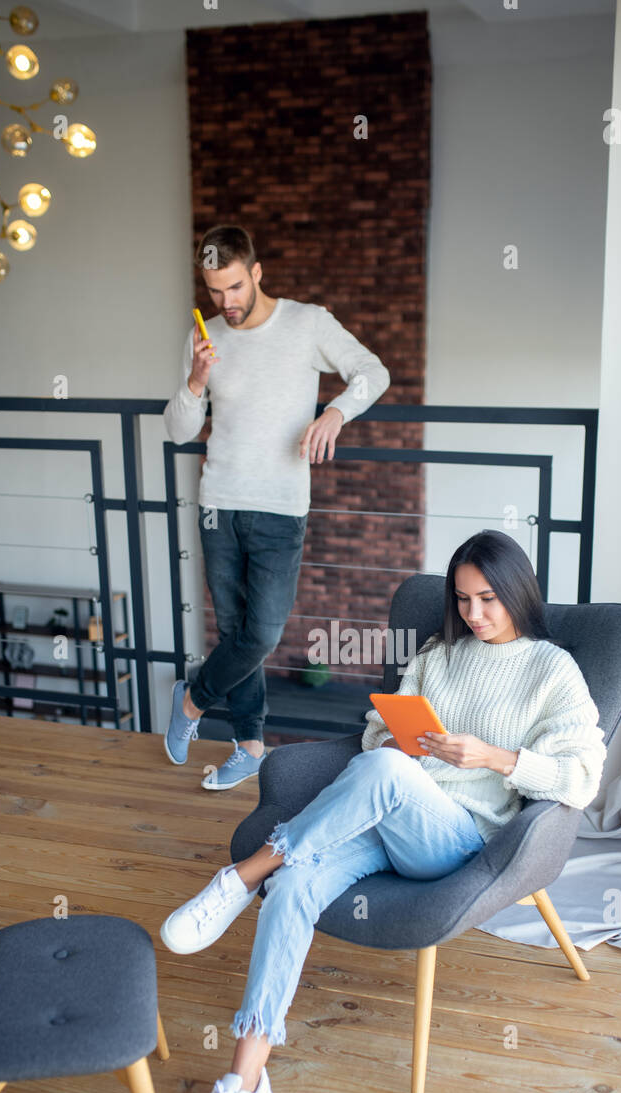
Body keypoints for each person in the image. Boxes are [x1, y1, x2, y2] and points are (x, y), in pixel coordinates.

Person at [160, 529, 608, 1093]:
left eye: (488, 600)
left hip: (458, 840)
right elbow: (375, 734)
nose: (473, 616)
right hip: (387, 814)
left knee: (385, 780)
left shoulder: (552, 670)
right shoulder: (438, 651)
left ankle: (244, 873)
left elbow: (583, 778)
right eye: (462, 600)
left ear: (517, 593)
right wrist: (401, 742)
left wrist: (494, 758)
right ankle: (244, 1086)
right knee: (296, 886)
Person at [162, 224, 390, 788]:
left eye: (235, 287)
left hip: (281, 506)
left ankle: (190, 701)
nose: (227, 302)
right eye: (215, 291)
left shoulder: (307, 323)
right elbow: (178, 430)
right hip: (218, 502)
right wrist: (196, 380)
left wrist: (336, 412)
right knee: (236, 630)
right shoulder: (205, 337)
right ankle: (250, 746)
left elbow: (373, 371)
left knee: (260, 633)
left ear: (256, 272)